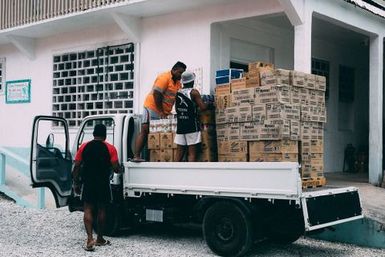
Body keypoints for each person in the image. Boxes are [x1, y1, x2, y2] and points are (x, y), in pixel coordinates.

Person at [72, 124, 120, 251]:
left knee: (88, 208)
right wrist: (119, 168)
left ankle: (89, 239)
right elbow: (116, 168)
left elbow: (76, 166)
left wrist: (76, 183)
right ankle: (99, 238)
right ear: (105, 135)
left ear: (93, 134)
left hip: (88, 183)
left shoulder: (84, 146)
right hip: (103, 183)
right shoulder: (110, 148)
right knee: (102, 209)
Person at [133, 61, 187, 161]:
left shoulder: (178, 83)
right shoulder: (164, 77)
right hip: (152, 107)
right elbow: (156, 94)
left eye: (183, 73)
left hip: (164, 111)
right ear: (174, 70)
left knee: (160, 134)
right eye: (180, 73)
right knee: (145, 130)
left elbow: (179, 98)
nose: (181, 75)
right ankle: (136, 156)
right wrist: (161, 111)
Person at [174, 71, 213, 162]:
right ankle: (190, 173)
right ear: (192, 81)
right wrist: (210, 104)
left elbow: (177, 109)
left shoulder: (178, 93)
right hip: (191, 125)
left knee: (179, 151)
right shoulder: (194, 92)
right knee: (192, 152)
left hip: (180, 125)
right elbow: (203, 107)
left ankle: (174, 171)